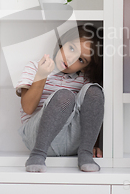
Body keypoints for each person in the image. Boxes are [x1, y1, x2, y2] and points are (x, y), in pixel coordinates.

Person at [15, 24, 104, 173]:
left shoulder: (83, 80)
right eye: (71, 48)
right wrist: (41, 75)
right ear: (63, 42)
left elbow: (93, 113)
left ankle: (86, 153)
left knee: (94, 91)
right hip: (37, 138)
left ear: (85, 68)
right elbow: (28, 108)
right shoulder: (35, 67)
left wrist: (95, 144)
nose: (71, 58)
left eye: (81, 60)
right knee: (65, 96)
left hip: (72, 143)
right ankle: (37, 155)